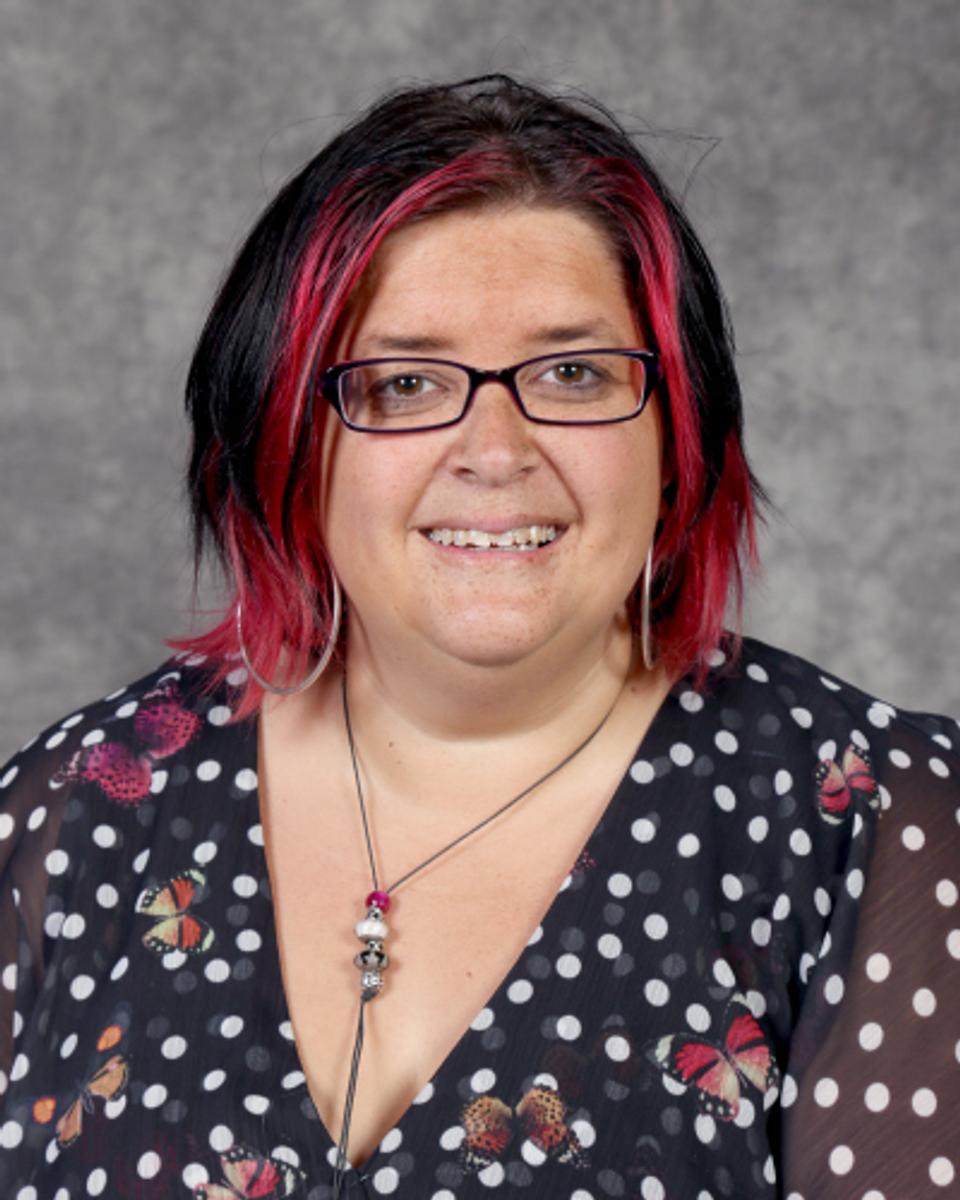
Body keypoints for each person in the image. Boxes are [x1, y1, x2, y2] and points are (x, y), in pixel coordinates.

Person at [0, 74, 956, 1200]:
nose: (495, 451)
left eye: (574, 373)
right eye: (405, 382)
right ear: (287, 435)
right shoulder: (74, 813)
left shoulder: (872, 825)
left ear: (678, 436)